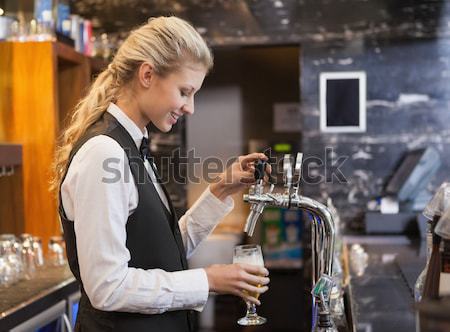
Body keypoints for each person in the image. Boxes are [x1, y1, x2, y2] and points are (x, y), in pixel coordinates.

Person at [51, 16, 270, 332]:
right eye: (185, 91)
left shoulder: (134, 145)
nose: (190, 107)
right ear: (147, 74)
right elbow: (107, 287)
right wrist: (206, 280)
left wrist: (220, 190)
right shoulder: (105, 152)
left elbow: (160, 250)